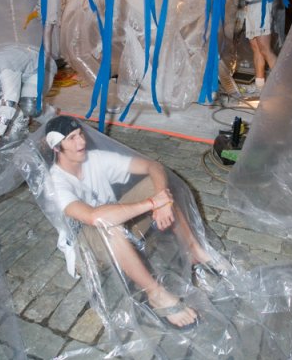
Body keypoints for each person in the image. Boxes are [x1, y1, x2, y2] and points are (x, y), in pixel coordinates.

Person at [43, 115, 222, 330]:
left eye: (80, 134)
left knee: (160, 187)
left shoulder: (93, 158)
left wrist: (160, 200)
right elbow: (93, 218)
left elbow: (152, 166)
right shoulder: (55, 182)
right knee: (111, 226)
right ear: (56, 147)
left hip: (120, 228)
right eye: (71, 138)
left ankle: (193, 249)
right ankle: (155, 294)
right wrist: (151, 203)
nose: (81, 142)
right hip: (89, 248)